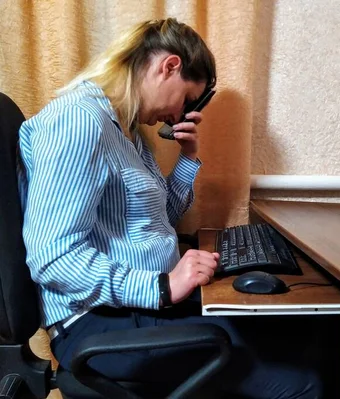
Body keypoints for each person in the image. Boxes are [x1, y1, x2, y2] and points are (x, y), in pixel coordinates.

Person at [17, 18, 322, 398]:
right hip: (100, 323)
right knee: (302, 383)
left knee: (304, 333)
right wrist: (162, 286)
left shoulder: (126, 129)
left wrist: (189, 157)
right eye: (188, 100)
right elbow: (52, 257)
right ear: (170, 67)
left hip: (142, 306)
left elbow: (159, 217)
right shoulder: (78, 121)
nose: (180, 116)